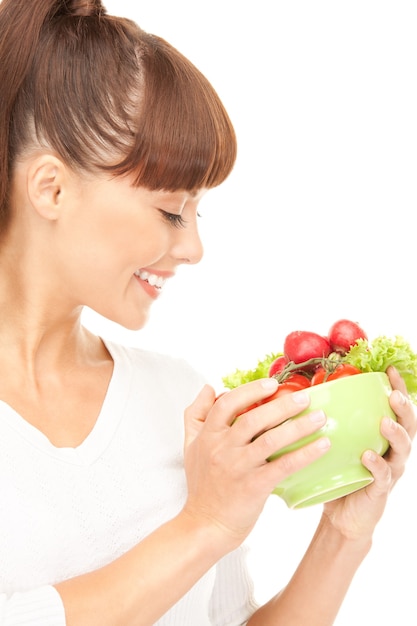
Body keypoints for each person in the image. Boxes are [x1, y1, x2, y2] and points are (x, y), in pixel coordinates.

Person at [0, 0, 415, 624]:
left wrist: (344, 535)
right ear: (52, 188)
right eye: (170, 211)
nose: (193, 248)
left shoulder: (176, 399)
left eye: (200, 212)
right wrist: (206, 523)